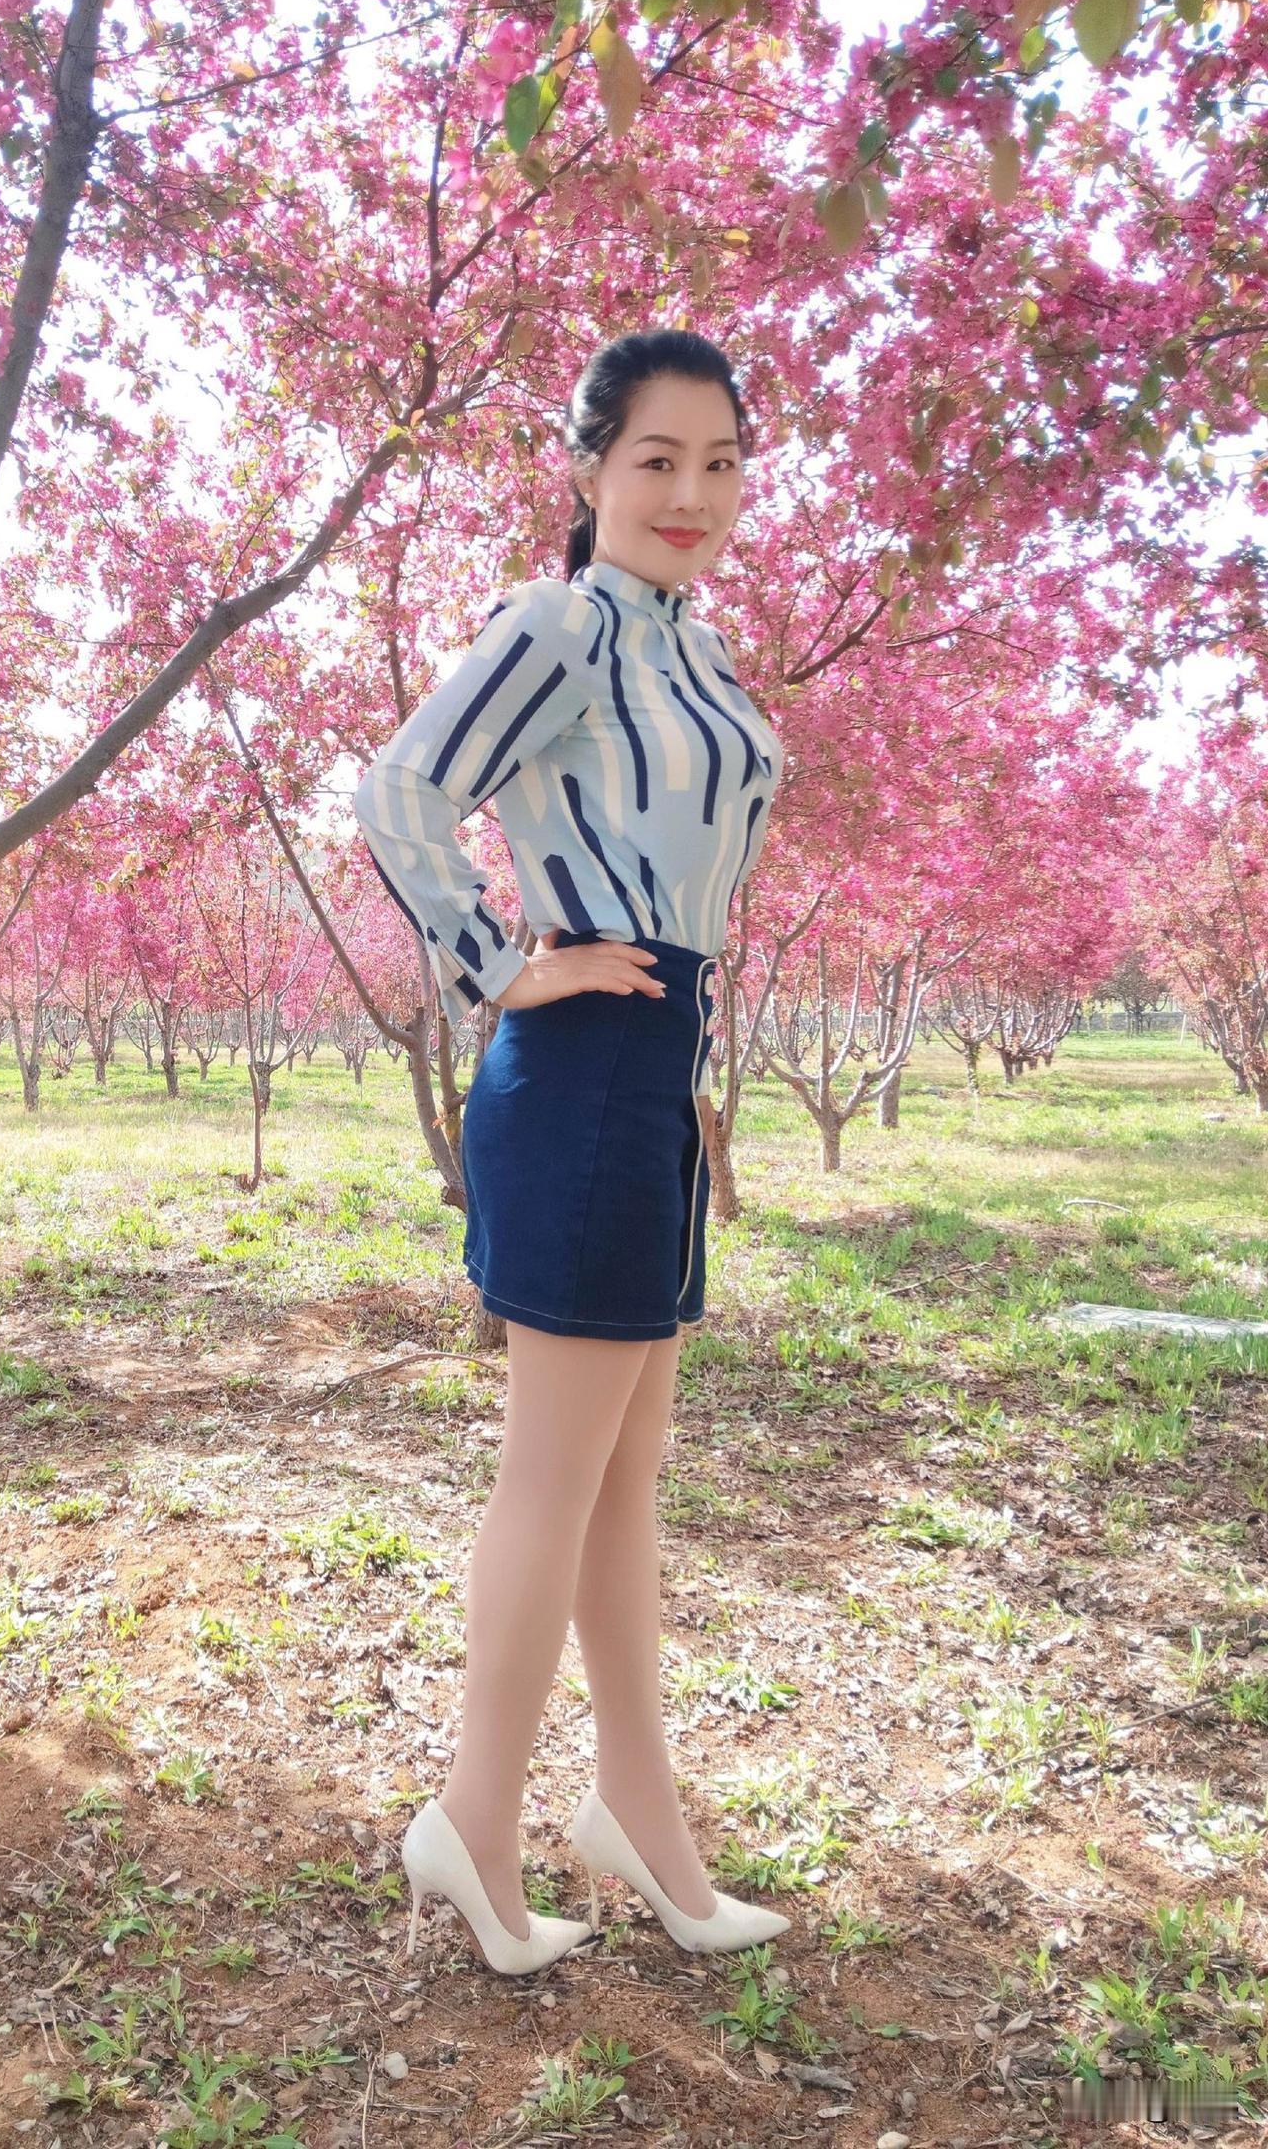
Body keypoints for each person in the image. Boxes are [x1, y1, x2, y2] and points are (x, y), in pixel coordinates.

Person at [353, 328, 788, 1977]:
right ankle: (474, 1823)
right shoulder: (561, 626)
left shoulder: (699, 649)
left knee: (622, 1480)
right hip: (587, 1059)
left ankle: (636, 1816)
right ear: (594, 467)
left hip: (657, 1066)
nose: (692, 492)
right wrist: (500, 963)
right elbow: (404, 788)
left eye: (720, 463)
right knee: (555, 1475)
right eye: (656, 458)